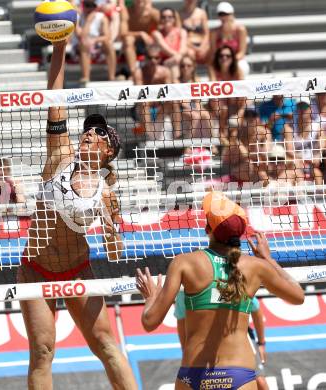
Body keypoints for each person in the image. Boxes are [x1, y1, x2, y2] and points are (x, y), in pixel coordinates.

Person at [17, 39, 137, 390]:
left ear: (108, 151)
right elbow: (55, 100)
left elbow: (114, 254)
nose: (89, 132)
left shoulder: (106, 193)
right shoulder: (60, 154)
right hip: (35, 267)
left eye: (99, 132)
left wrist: (113, 228)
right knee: (41, 351)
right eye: (89, 128)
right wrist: (59, 49)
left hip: (77, 268)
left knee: (106, 346)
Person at [136, 191, 304, 390]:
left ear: (208, 229)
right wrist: (268, 259)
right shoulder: (256, 267)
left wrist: (151, 297)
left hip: (193, 375)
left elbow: (149, 322)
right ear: (239, 234)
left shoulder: (185, 262)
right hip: (238, 373)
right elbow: (298, 296)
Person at [174, 294, 269, 390]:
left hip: (238, 339)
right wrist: (185, 352)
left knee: (260, 382)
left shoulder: (232, 283)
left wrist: (261, 343)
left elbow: (256, 311)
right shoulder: (184, 292)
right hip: (204, 344)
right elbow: (181, 321)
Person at [134, 45, 172, 140]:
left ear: (160, 59)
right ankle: (148, 136)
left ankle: (179, 136)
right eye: (150, 58)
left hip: (160, 108)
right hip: (143, 109)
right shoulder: (139, 73)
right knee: (144, 103)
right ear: (145, 58)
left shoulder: (165, 72)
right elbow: (140, 95)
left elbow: (170, 93)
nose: (153, 61)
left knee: (174, 102)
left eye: (156, 58)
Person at [208, 45, 244, 140]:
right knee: (220, 104)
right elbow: (213, 89)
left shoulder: (237, 71)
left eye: (228, 56)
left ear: (232, 58)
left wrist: (239, 113)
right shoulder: (213, 70)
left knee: (242, 97)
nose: (224, 58)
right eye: (221, 56)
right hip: (219, 104)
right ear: (217, 58)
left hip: (234, 105)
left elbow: (243, 92)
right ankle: (222, 131)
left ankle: (234, 126)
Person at [285, 98, 324, 185]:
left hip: (312, 164)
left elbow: (323, 143)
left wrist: (317, 155)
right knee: (293, 171)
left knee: (317, 174)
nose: (302, 110)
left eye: (304, 107)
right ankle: (301, 195)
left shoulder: (317, 127)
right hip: (296, 163)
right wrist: (304, 160)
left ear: (310, 109)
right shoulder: (289, 127)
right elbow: (289, 150)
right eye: (300, 107)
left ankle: (320, 197)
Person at [172, 55, 212, 140]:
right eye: (183, 66)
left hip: (193, 106)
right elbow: (181, 102)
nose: (185, 68)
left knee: (207, 115)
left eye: (188, 65)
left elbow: (197, 102)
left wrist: (199, 109)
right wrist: (195, 109)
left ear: (193, 67)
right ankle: (188, 146)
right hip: (180, 109)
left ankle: (212, 144)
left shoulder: (196, 81)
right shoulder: (177, 81)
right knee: (196, 116)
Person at [77, 0, 117, 82]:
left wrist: (94, 40)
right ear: (83, 6)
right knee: (84, 44)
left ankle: (112, 77)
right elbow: (81, 36)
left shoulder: (101, 17)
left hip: (96, 45)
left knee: (108, 44)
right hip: (81, 47)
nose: (90, 8)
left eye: (92, 6)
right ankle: (86, 77)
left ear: (95, 7)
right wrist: (88, 21)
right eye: (87, 5)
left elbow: (107, 36)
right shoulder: (78, 17)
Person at [120, 0, 160, 77]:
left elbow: (163, 29)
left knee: (157, 36)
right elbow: (122, 33)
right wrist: (140, 34)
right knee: (128, 40)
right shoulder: (126, 12)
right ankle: (133, 72)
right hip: (132, 43)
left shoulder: (154, 13)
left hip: (148, 43)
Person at [209, 2, 249, 76]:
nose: (224, 17)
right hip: (221, 60)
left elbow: (242, 53)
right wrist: (223, 60)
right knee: (212, 67)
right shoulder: (214, 33)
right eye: (221, 14)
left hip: (236, 60)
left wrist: (230, 60)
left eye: (226, 14)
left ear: (232, 14)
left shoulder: (240, 30)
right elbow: (214, 53)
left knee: (241, 67)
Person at [152, 8, 188, 83]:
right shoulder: (157, 34)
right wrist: (177, 57)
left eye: (170, 17)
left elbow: (183, 49)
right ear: (160, 19)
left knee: (175, 64)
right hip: (163, 63)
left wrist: (177, 58)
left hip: (178, 62)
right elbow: (165, 49)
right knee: (173, 65)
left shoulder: (182, 32)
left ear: (174, 19)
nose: (166, 19)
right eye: (164, 17)